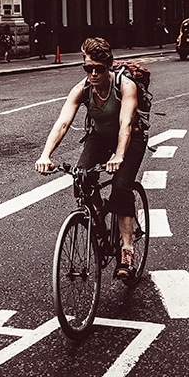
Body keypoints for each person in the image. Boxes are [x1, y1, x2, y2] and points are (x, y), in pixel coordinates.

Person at [35, 37, 147, 280]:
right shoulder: (82, 89)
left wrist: (118, 156)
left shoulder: (125, 86)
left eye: (99, 68)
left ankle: (127, 251)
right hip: (99, 136)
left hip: (131, 138)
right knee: (81, 178)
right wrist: (46, 155)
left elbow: (125, 123)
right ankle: (98, 221)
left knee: (120, 187)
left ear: (109, 66)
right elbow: (63, 123)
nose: (93, 73)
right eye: (88, 68)